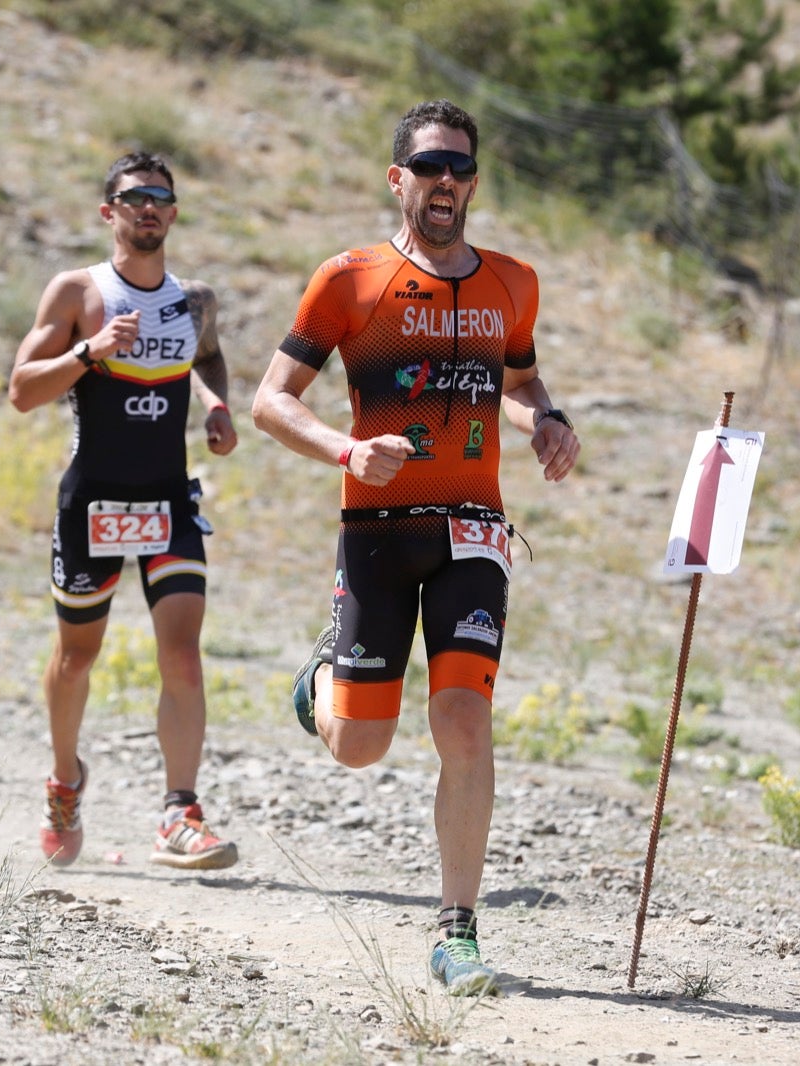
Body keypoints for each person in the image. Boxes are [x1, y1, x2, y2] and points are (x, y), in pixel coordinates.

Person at [252, 100, 580, 995]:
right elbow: (272, 401)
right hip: (376, 534)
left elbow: (517, 378)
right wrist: (349, 450)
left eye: (461, 169)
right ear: (398, 179)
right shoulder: (349, 280)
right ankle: (320, 680)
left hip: (473, 532)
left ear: (474, 182)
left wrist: (546, 419)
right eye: (429, 166)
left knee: (463, 719)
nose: (447, 182)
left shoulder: (513, 281)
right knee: (360, 745)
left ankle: (458, 932)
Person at [9, 151, 240, 872]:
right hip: (93, 502)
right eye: (133, 196)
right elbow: (21, 389)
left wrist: (217, 403)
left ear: (173, 214)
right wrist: (89, 350)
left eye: (161, 198)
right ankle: (65, 780)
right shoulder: (78, 291)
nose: (149, 207)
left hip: (168, 497)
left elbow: (208, 354)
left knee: (182, 653)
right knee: (78, 657)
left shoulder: (194, 298)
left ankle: (180, 811)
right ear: (108, 211)